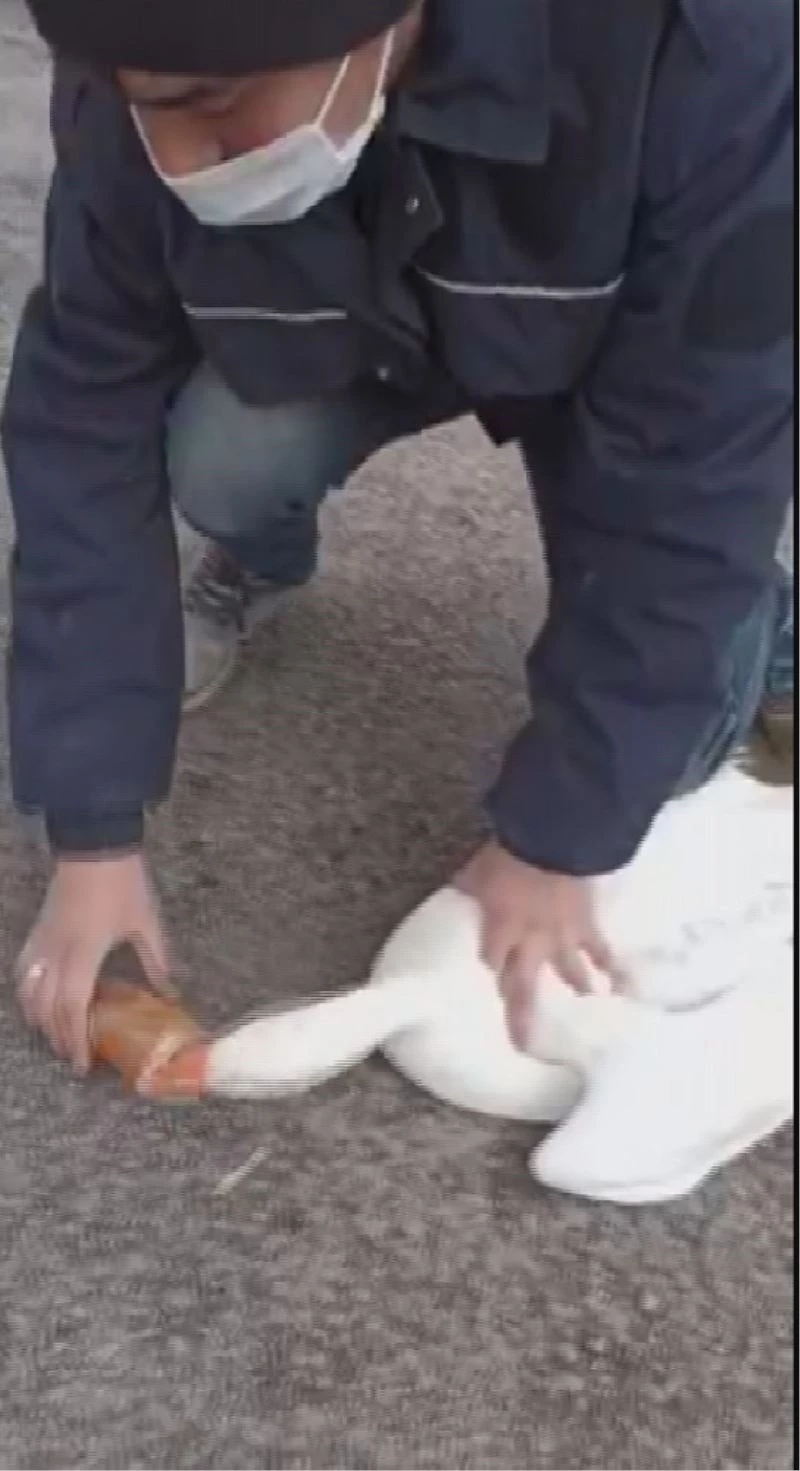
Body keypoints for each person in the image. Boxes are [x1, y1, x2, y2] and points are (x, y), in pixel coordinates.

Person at [2, 0, 794, 1073]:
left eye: (214, 104)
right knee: (219, 457)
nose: (183, 162)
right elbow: (85, 411)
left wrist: (557, 838)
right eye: (150, 110)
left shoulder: (695, 51)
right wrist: (91, 832)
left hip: (618, 331)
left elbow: (697, 453)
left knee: (677, 709)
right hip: (361, 311)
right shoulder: (144, 50)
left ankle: (767, 628)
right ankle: (261, 553)